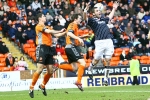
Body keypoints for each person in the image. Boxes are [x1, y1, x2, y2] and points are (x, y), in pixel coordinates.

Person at [29, 13, 66, 98]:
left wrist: (64, 33)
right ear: (39, 18)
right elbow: (49, 31)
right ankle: (31, 87)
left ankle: (42, 85)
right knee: (40, 69)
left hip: (49, 49)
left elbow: (56, 35)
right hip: (42, 48)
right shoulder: (38, 26)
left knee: (50, 71)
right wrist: (59, 31)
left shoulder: (48, 27)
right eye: (43, 16)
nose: (45, 17)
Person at [83, 2, 119, 86]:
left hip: (108, 41)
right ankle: (90, 68)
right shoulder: (92, 21)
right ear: (94, 13)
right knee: (96, 60)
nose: (99, 11)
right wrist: (85, 11)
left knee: (108, 60)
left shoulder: (104, 19)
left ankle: (106, 79)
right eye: (96, 11)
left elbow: (110, 17)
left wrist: (114, 8)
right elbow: (85, 19)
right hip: (99, 42)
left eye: (99, 10)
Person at [58, 14, 87, 91]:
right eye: (79, 18)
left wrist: (82, 37)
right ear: (75, 19)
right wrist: (78, 38)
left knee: (74, 68)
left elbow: (73, 37)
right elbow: (69, 33)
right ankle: (78, 81)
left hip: (70, 47)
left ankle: (57, 66)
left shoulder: (76, 26)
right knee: (83, 63)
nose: (81, 20)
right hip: (71, 47)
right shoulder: (72, 24)